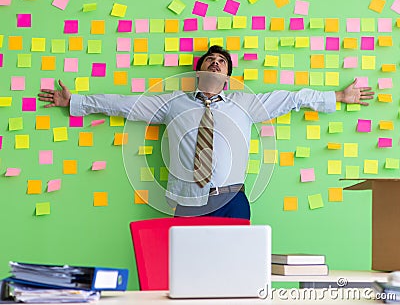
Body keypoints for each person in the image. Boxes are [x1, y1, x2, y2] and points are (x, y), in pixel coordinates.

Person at [38, 45, 374, 220]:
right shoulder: (173, 104)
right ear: (198, 71)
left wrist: (340, 96)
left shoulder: (245, 103)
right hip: (187, 199)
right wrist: (76, 101)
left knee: (235, 266)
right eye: (209, 60)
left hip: (233, 199)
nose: (215, 63)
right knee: (189, 267)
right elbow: (124, 104)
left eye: (221, 62)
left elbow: (293, 98)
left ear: (228, 76)